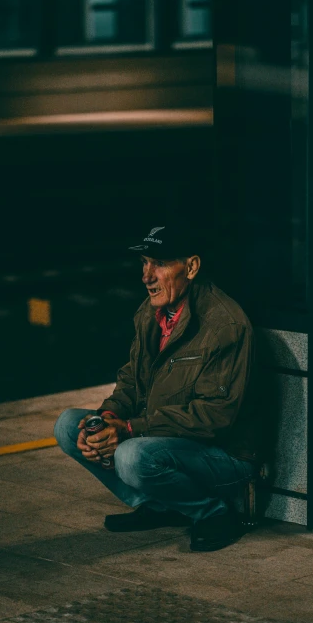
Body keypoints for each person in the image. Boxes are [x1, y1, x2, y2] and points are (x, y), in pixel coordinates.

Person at [54, 223, 261, 552]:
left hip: (225, 457)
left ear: (191, 267)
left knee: (131, 455)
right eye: (144, 262)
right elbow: (130, 382)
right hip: (168, 444)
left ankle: (213, 513)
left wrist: (131, 428)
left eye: (160, 264)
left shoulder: (225, 325)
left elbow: (214, 418)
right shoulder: (151, 314)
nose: (146, 276)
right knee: (69, 425)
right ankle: (163, 505)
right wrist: (108, 418)